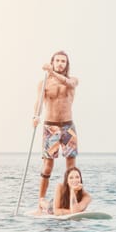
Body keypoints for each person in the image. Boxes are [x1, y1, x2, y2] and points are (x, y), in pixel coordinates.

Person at [32, 50, 79, 212]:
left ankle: (70, 200)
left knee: (71, 168)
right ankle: (41, 201)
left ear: (66, 64)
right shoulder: (44, 83)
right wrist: (35, 116)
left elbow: (70, 84)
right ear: (53, 62)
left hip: (68, 126)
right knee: (47, 166)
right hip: (50, 127)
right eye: (57, 61)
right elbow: (38, 102)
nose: (60, 63)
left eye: (63, 61)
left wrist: (52, 72)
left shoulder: (72, 80)